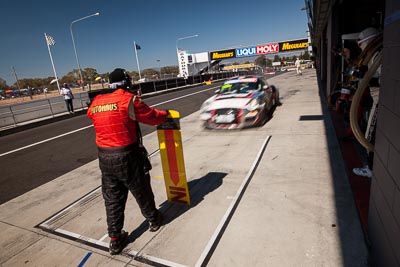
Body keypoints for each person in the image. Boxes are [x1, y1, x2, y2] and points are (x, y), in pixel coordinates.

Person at [87, 68, 169, 255]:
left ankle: (115, 239)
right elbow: (152, 117)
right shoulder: (128, 99)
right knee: (141, 189)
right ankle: (154, 220)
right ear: (125, 82)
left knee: (112, 198)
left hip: (104, 157)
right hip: (127, 154)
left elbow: (91, 115)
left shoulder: (96, 101)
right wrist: (166, 115)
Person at [352, 27, 382, 178]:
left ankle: (370, 169)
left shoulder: (378, 55)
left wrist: (366, 80)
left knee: (369, 135)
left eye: (362, 44)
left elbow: (383, 79)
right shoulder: (375, 55)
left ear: (369, 42)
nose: (361, 48)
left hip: (379, 101)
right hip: (375, 99)